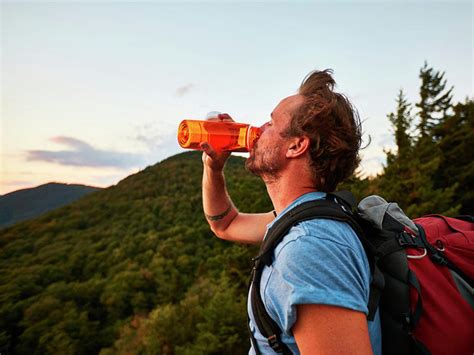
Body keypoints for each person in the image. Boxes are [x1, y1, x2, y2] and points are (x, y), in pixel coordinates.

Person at [201, 69, 382, 354]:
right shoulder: (302, 220)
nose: (258, 129)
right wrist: (213, 169)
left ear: (296, 146)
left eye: (271, 122)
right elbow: (225, 224)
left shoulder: (310, 246)